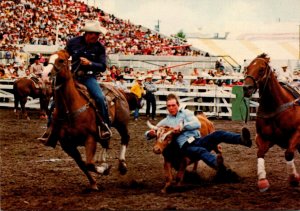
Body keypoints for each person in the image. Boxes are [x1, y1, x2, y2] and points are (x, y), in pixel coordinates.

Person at [39, 20, 111, 147]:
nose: (97, 37)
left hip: (89, 77)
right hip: (73, 77)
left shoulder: (99, 47)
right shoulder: (73, 42)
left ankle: (104, 126)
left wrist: (90, 64)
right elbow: (64, 54)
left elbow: (103, 66)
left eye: (98, 35)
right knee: (53, 102)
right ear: (87, 33)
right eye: (95, 34)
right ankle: (50, 129)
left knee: (100, 98)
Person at [145, 93, 252, 170]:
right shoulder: (166, 121)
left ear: (178, 105)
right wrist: (149, 134)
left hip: (198, 139)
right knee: (200, 151)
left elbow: (197, 124)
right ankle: (216, 163)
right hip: (185, 147)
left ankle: (242, 140)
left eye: (173, 105)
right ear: (167, 107)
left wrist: (183, 127)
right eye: (169, 106)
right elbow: (152, 131)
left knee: (218, 134)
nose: (171, 108)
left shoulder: (186, 113)